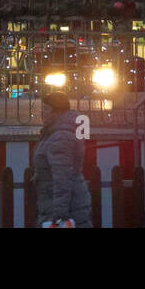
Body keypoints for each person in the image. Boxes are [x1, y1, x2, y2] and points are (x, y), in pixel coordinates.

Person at [32, 92, 92, 228]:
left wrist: (59, 216)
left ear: (57, 112)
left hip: (63, 209)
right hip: (65, 205)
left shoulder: (60, 138)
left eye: (46, 109)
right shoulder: (56, 133)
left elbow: (62, 179)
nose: (42, 113)